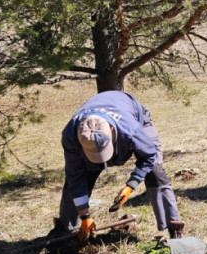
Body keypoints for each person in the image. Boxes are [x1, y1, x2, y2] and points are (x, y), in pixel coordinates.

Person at [58, 91, 184, 241]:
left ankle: (174, 226)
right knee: (79, 178)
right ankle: (67, 230)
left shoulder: (131, 130)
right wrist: (85, 215)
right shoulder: (70, 135)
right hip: (105, 118)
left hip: (135, 115)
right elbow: (75, 176)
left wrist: (131, 185)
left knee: (155, 170)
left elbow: (149, 155)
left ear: (111, 130)